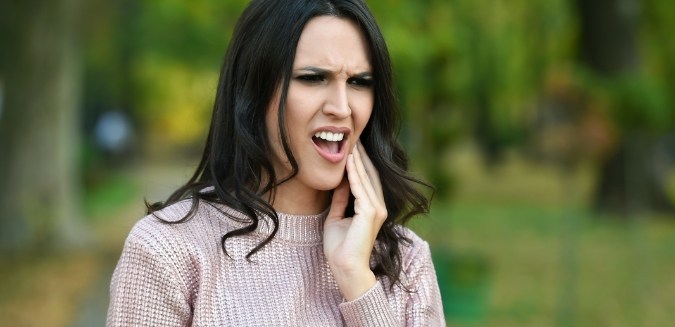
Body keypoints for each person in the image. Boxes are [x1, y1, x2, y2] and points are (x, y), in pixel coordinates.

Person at [107, 0, 445, 326]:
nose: (342, 107)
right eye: (313, 78)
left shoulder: (406, 262)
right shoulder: (169, 251)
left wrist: (356, 279)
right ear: (254, 89)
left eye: (359, 82)